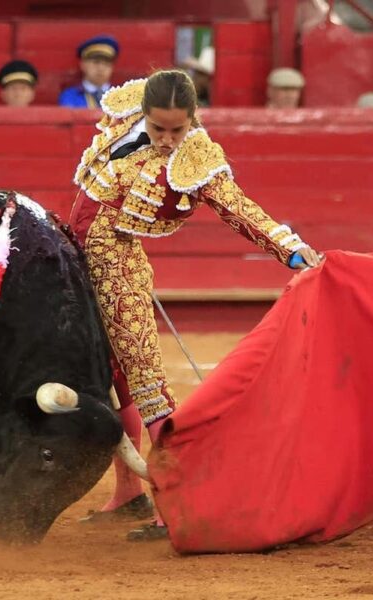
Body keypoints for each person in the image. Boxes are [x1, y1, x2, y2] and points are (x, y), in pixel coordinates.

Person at [69, 70, 322, 541]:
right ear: (143, 114)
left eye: (177, 130)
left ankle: (175, 508)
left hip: (120, 272)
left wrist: (289, 249)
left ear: (193, 120)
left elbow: (239, 208)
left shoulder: (196, 159)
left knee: (148, 389)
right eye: (158, 128)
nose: (166, 140)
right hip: (73, 263)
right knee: (111, 379)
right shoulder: (124, 117)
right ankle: (128, 495)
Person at [59, 35, 119, 108]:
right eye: (96, 62)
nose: (101, 68)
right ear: (83, 65)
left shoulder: (120, 96)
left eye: (106, 64)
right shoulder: (70, 96)